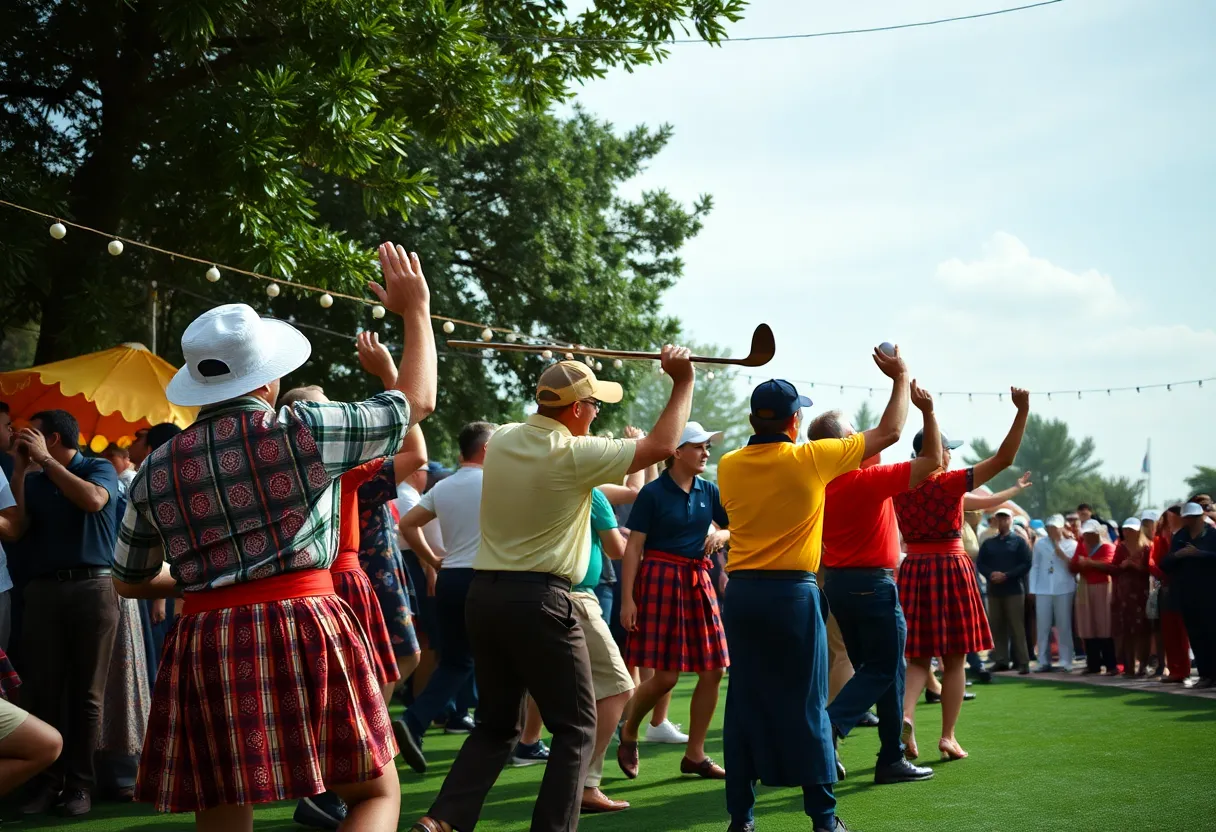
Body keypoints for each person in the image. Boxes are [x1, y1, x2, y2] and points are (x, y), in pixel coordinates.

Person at [111, 242, 436, 832]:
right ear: (268, 378)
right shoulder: (301, 431)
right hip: (303, 620)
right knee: (371, 792)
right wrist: (416, 312)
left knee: (222, 802)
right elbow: (416, 405)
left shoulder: (153, 469)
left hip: (203, 638)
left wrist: (197, 582)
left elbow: (128, 580)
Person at [410, 348, 695, 832]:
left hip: (486, 596)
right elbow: (663, 447)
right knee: (578, 726)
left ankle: (441, 821)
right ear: (578, 408)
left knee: (497, 725)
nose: (598, 412)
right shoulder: (574, 453)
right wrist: (683, 381)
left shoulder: (501, 440)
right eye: (595, 405)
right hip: (539, 600)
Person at [716, 346, 909, 832]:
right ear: (793, 421)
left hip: (741, 596)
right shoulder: (811, 459)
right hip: (792, 595)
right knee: (807, 704)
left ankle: (741, 819)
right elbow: (889, 432)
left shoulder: (728, 465)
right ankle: (824, 820)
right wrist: (901, 377)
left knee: (743, 701)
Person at [276, 381, 427, 831]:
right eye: (326, 409)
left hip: (310, 581)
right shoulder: (338, 464)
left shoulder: (275, 464)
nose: (336, 414)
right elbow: (415, 449)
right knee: (368, 681)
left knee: (344, 686)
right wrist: (389, 379)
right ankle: (339, 781)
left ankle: (330, 783)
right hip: (341, 576)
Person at [810, 381, 940, 786]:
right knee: (883, 668)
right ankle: (829, 727)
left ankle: (890, 758)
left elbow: (881, 434)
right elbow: (934, 458)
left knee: (886, 670)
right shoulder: (865, 480)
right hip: (872, 585)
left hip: (840, 587)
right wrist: (926, 409)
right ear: (847, 443)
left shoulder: (821, 482)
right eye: (853, 433)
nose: (860, 435)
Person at [896, 387, 1029, 763]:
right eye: (948, 448)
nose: (951, 454)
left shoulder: (899, 484)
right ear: (940, 451)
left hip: (915, 569)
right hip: (951, 569)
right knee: (955, 660)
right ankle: (948, 737)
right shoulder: (950, 482)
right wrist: (1022, 411)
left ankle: (906, 716)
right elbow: (1005, 457)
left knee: (918, 659)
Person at [5, 409, 120, 817]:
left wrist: (46, 462)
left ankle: (80, 787)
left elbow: (92, 500)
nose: (21, 441)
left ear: (51, 438)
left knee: (87, 695)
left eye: (29, 437)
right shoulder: (33, 480)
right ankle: (46, 783)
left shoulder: (99, 466)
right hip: (42, 592)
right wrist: (20, 470)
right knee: (44, 691)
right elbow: (15, 529)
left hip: (93, 587)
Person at [618, 421, 730, 782]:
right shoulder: (652, 493)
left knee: (714, 670)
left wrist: (724, 533)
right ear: (676, 452)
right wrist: (627, 601)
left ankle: (695, 755)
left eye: (706, 446)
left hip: (698, 580)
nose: (706, 452)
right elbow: (634, 548)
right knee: (665, 677)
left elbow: (735, 526)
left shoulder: (709, 491)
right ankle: (630, 729)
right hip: (660, 580)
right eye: (698, 446)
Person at [397, 421, 494, 768]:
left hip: (450, 578)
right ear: (485, 450)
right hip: (486, 578)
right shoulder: (499, 483)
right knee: (498, 659)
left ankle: (414, 721)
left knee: (455, 662)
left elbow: (408, 525)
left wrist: (434, 561)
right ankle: (497, 735)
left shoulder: (445, 485)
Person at [574, 487, 634, 814]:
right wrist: (629, 540)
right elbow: (616, 549)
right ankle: (583, 784)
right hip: (576, 597)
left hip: (526, 594)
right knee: (618, 688)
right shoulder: (591, 492)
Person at [1160, 502, 1216, 689]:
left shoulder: (1213, 534)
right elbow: (1165, 563)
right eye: (1186, 517)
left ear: (1201, 517)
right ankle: (1205, 675)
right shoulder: (1180, 536)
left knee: (1212, 634)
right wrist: (1179, 555)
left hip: (1210, 593)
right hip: (1187, 593)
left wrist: (1199, 554)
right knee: (1196, 634)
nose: (1188, 521)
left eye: (1192, 517)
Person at [976, 507, 1032, 674]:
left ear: (1011, 520)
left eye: (1005, 518)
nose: (1002, 521)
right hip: (994, 589)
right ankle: (1001, 660)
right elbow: (981, 563)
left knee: (1016, 627)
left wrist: (1007, 575)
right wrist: (991, 574)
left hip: (1014, 589)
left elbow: (1026, 563)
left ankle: (1023, 662)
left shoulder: (1019, 541)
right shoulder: (989, 543)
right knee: (997, 626)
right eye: (999, 518)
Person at [1070, 519, 1118, 675]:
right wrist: (1087, 564)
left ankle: (1111, 664)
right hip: (1085, 587)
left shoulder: (1107, 546)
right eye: (1086, 533)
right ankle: (1093, 664)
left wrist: (1089, 563)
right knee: (1088, 625)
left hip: (1103, 587)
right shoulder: (1081, 545)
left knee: (1104, 624)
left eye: (1091, 533)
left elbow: (1109, 565)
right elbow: (1073, 565)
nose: (1087, 537)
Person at [1029, 515, 1077, 672]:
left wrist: (1058, 546)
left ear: (1062, 527)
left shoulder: (1071, 544)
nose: (1052, 530)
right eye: (1050, 527)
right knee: (1043, 626)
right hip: (1043, 589)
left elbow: (1071, 564)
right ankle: (1043, 660)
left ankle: (1066, 659)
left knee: (1064, 625)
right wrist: (1032, 589)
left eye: (1055, 527)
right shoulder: (1040, 543)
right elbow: (1035, 566)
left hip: (1064, 588)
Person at [1149, 506, 1189, 682]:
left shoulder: (1185, 536)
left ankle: (1182, 669)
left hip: (1180, 587)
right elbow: (1154, 562)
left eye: (1172, 518)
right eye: (1166, 519)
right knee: (1168, 630)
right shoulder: (1161, 539)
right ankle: (1174, 669)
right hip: (1165, 587)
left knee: (1181, 631)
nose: (1169, 522)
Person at [1111, 517, 1152, 677]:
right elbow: (1114, 567)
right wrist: (1122, 566)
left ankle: (1143, 664)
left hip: (1141, 593)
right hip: (1124, 593)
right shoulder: (1121, 547)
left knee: (1143, 631)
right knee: (1127, 630)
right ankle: (1129, 666)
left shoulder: (1146, 547)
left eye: (1131, 529)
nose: (1127, 532)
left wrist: (1133, 565)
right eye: (1126, 529)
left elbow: (1150, 569)